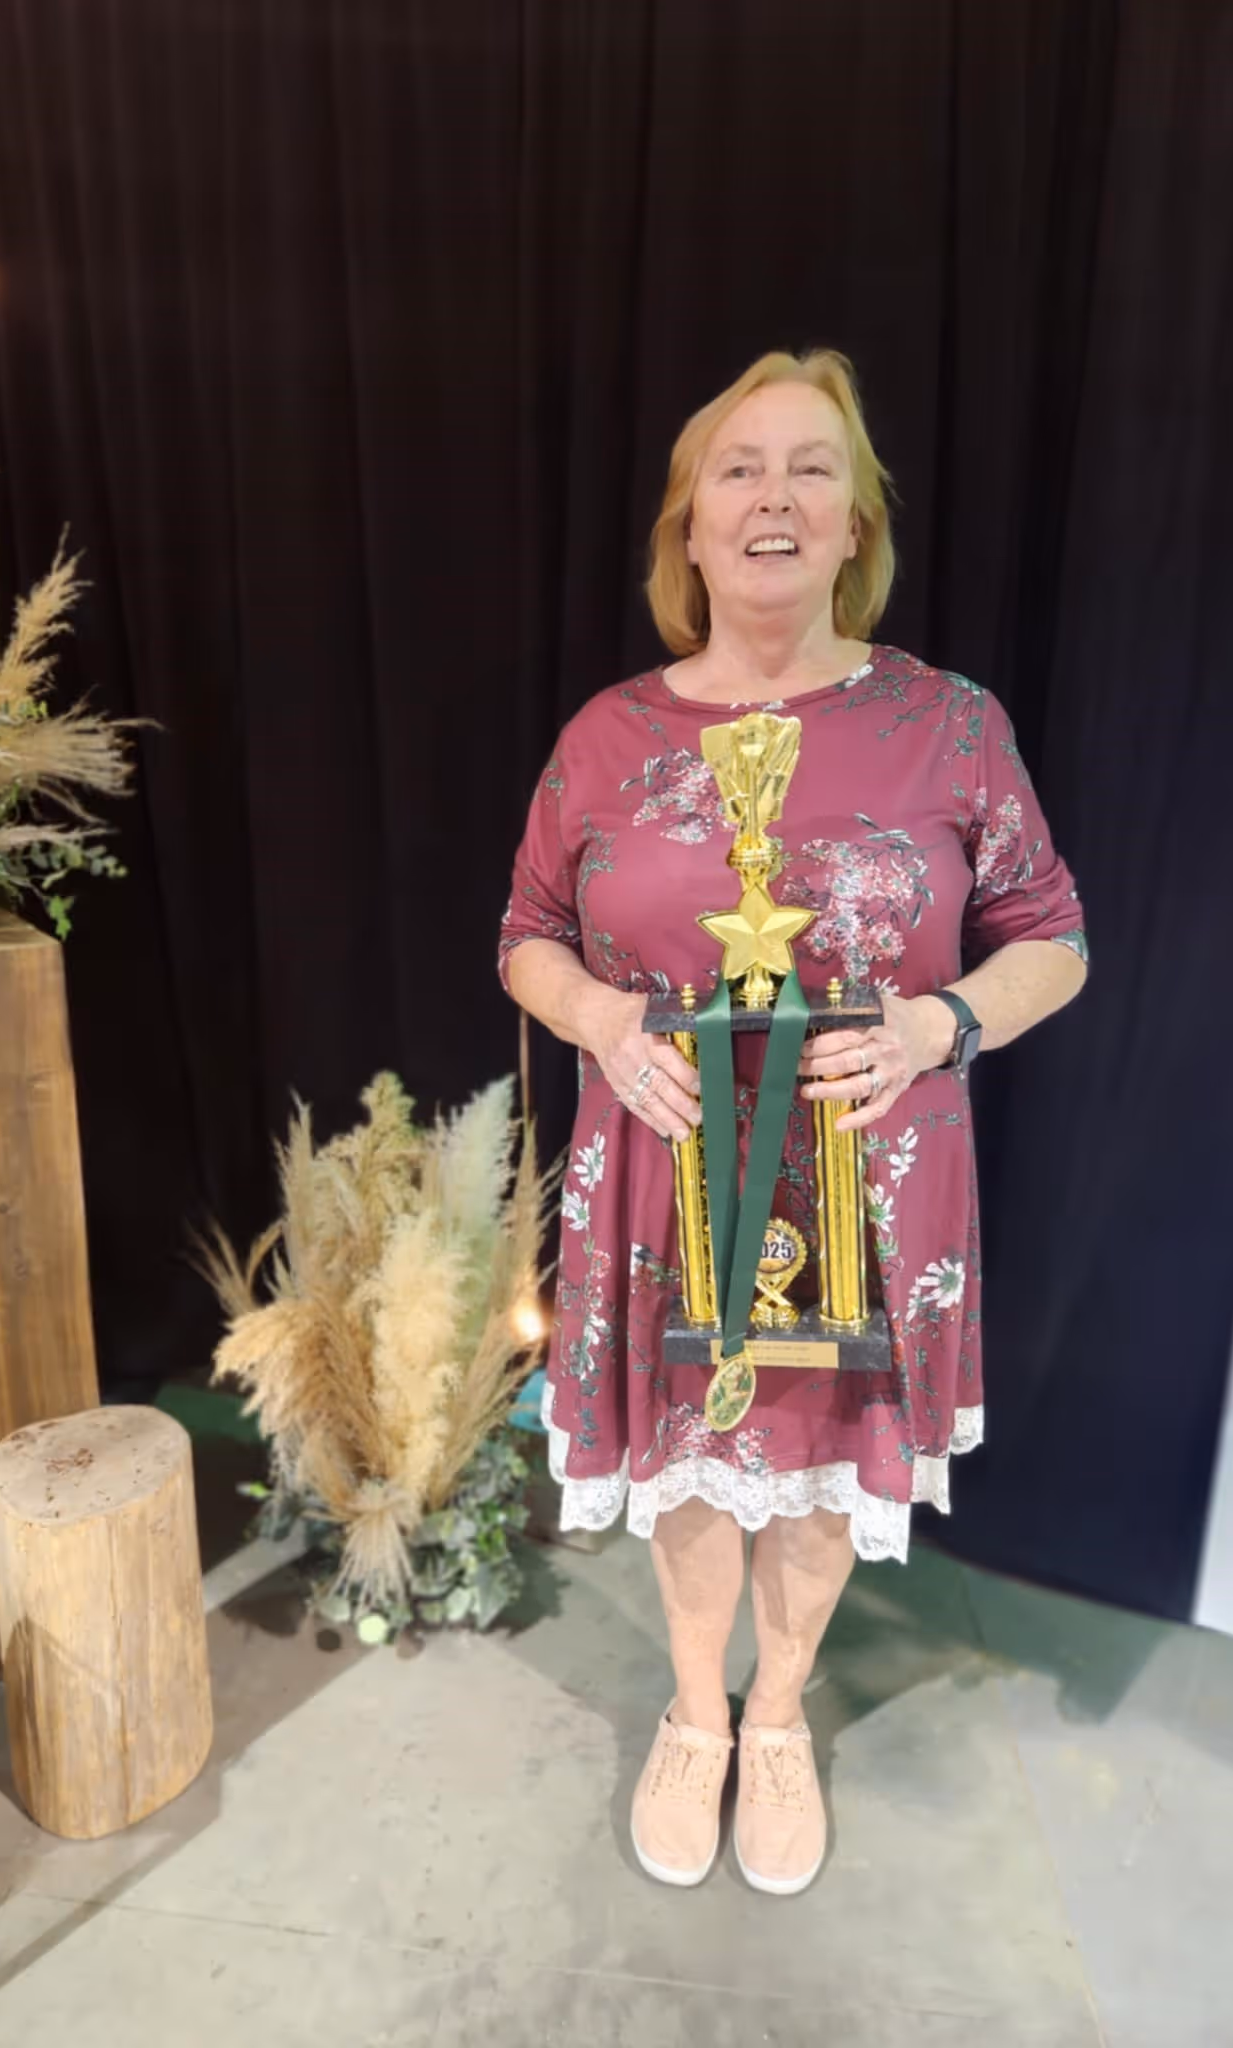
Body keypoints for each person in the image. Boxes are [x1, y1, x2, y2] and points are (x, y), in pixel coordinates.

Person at [499, 349, 1087, 1896]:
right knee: (693, 1455)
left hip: (872, 1174)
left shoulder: (952, 725)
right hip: (653, 1169)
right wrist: (606, 1022)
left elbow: (1054, 940)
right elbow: (526, 935)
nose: (773, 496)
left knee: (818, 1453)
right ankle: (695, 1714)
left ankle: (779, 1721)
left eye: (811, 468)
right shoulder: (605, 737)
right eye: (738, 470)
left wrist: (937, 1021)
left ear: (854, 525)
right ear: (689, 530)